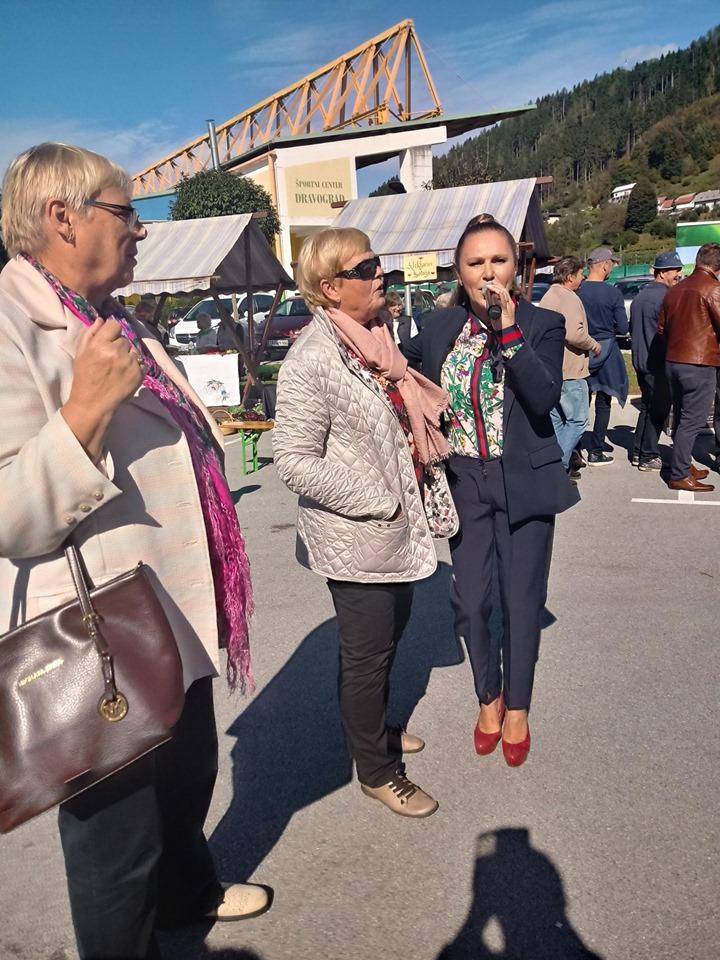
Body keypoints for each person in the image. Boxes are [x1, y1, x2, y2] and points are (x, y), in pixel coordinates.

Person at [0, 143, 267, 960]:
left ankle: (187, 895)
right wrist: (84, 410)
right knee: (116, 849)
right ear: (62, 217)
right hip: (98, 641)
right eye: (126, 212)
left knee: (187, 781)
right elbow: (13, 518)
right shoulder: (10, 328)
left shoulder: (118, 321)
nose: (142, 230)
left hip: (171, 610)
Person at [273, 227, 452, 818]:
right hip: (358, 532)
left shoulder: (374, 340)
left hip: (395, 527)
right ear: (330, 287)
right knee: (367, 656)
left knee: (390, 638)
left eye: (379, 264)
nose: (381, 274)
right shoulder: (313, 359)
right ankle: (376, 770)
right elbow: (293, 460)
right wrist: (378, 499)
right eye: (366, 267)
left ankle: (374, 730)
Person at [404, 214, 578, 767]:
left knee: (522, 601)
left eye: (498, 261)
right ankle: (488, 696)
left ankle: (518, 707)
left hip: (524, 479)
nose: (487, 273)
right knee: (472, 602)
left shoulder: (543, 323)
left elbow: (543, 397)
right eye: (475, 263)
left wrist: (508, 331)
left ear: (515, 266)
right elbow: (392, 366)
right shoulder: (439, 327)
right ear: (458, 271)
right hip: (465, 480)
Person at [658, 242, 720, 492]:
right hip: (700, 362)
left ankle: (681, 464)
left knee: (682, 416)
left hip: (674, 361)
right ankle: (680, 474)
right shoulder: (713, 288)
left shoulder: (675, 289)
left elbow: (661, 329)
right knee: (692, 420)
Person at [539, 256, 601, 476]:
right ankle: (559, 465)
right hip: (571, 370)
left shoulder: (549, 296)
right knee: (578, 420)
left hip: (553, 369)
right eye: (580, 274)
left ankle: (553, 466)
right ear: (570, 276)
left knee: (557, 419)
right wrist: (593, 344)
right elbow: (574, 333)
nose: (583, 278)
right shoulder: (569, 298)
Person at [629, 252, 683, 472]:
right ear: (661, 273)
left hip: (640, 359)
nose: (678, 274)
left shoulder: (640, 296)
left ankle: (638, 451)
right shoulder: (666, 298)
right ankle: (648, 455)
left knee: (647, 406)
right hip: (658, 362)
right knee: (658, 409)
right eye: (674, 270)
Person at [576, 247, 629, 464]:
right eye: (612, 265)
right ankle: (596, 450)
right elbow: (623, 328)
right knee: (604, 401)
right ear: (605, 265)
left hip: (581, 352)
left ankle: (575, 448)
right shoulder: (613, 293)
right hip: (606, 353)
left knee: (581, 401)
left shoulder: (577, 290)